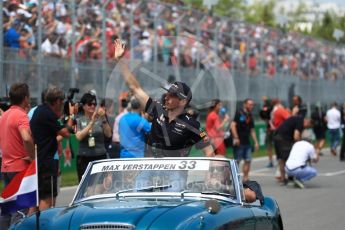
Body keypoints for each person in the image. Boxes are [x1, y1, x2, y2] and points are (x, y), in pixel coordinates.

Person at [113, 39, 214, 158]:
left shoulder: (192, 124)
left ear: (183, 101)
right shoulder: (157, 109)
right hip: (149, 171)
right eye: (167, 93)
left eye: (172, 95)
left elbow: (209, 152)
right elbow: (135, 88)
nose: (166, 97)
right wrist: (119, 61)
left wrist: (211, 174)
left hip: (175, 174)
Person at [30, 87, 72, 211]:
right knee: (47, 200)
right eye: (62, 101)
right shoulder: (48, 114)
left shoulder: (39, 110)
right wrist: (72, 115)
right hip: (47, 162)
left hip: (40, 159)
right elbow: (66, 133)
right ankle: (44, 225)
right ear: (57, 101)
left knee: (37, 199)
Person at [0, 83, 35, 228]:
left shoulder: (4, 115)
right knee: (19, 211)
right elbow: (26, 137)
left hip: (6, 167)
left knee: (7, 209)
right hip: (20, 168)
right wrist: (32, 156)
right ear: (26, 98)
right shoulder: (22, 115)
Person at [75, 92, 112, 182]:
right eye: (89, 104)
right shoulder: (78, 120)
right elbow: (79, 136)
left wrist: (103, 118)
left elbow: (108, 134)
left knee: (99, 185)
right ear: (83, 106)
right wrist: (91, 122)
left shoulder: (100, 118)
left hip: (100, 156)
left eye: (94, 104)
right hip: (85, 157)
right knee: (86, 186)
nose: (92, 106)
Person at [273, 116, 312, 184]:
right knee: (289, 158)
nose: (306, 128)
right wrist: (301, 146)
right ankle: (291, 176)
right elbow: (296, 136)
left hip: (277, 137)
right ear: (307, 121)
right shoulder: (300, 121)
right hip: (284, 139)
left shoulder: (297, 119)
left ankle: (283, 178)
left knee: (282, 159)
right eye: (307, 126)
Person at [230, 98, 259, 182]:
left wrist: (256, 142)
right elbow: (233, 125)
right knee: (237, 161)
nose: (251, 106)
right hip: (239, 141)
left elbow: (252, 130)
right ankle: (233, 179)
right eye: (250, 104)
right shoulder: (238, 113)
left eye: (252, 105)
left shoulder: (250, 115)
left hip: (247, 142)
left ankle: (245, 179)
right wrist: (236, 137)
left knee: (248, 160)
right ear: (245, 104)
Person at [112, 93, 129, 158]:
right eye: (122, 101)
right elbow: (115, 137)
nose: (122, 103)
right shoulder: (119, 117)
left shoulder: (120, 117)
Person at [259, 96, 274, 167]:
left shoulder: (271, 107)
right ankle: (271, 161)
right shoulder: (265, 107)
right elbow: (262, 115)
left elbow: (264, 114)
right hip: (269, 128)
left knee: (273, 145)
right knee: (268, 145)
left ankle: (279, 159)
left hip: (275, 129)